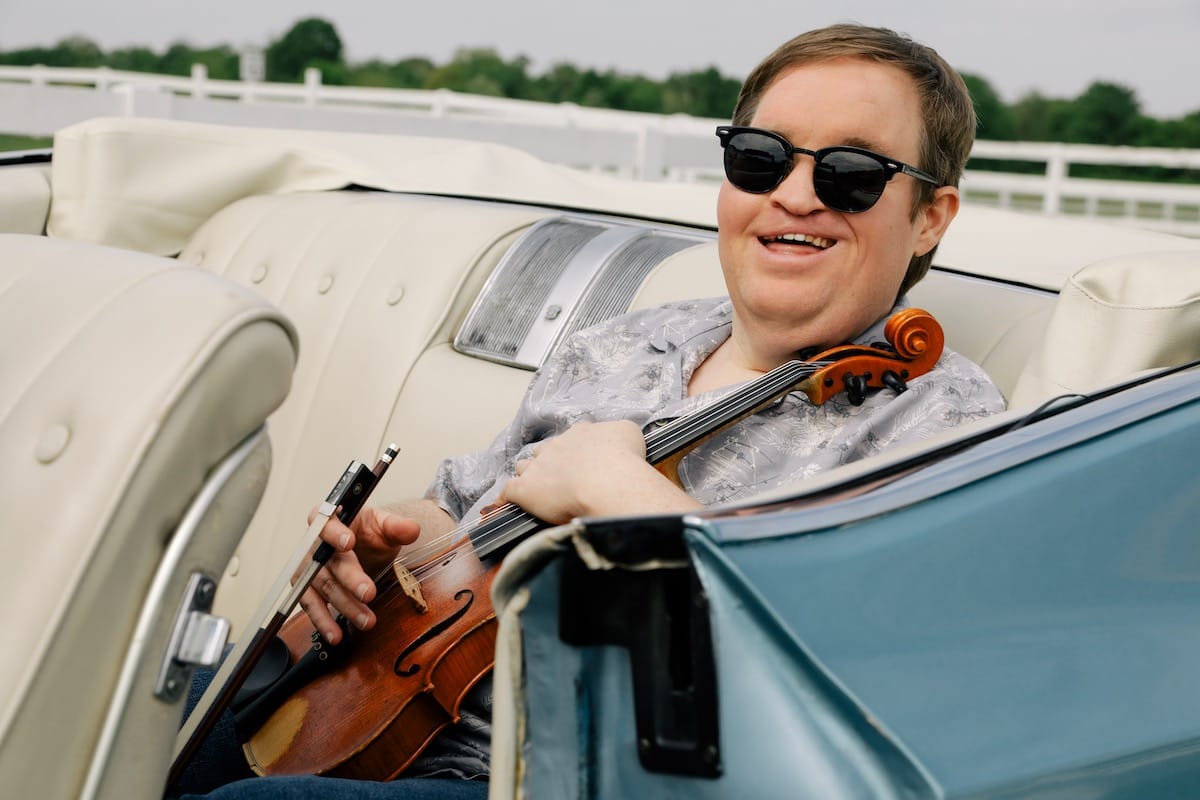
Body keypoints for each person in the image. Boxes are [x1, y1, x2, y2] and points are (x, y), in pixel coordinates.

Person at [175, 22, 1005, 799]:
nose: (793, 196)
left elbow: (846, 672)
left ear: (931, 215)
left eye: (850, 174)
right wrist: (383, 546)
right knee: (144, 733)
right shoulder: (624, 341)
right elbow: (464, 513)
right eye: (761, 158)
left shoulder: (942, 419)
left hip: (564, 775)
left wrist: (620, 491)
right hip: (389, 704)